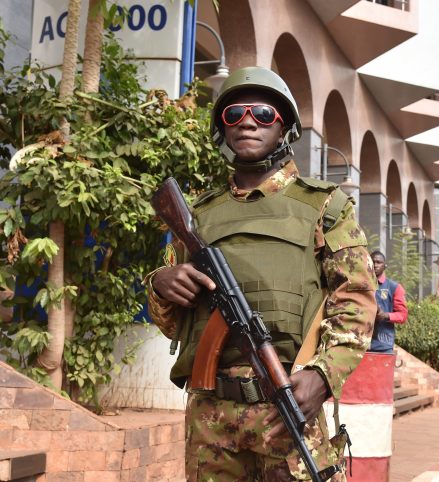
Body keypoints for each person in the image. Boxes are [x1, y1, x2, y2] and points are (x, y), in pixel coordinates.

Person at [145, 66, 377, 481]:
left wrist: (323, 376)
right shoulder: (197, 216)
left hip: (287, 399)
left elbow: (357, 301)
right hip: (210, 417)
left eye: (263, 114)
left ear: (284, 126)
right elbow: (171, 324)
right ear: (222, 130)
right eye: (233, 114)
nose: (248, 121)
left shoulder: (325, 206)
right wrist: (162, 286)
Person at [367, 250, 408, 354]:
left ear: (385, 266)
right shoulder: (360, 285)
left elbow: (403, 315)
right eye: (372, 262)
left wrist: (385, 315)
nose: (375, 265)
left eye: (378, 262)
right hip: (360, 345)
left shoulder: (394, 287)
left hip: (383, 346)